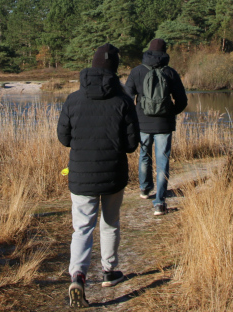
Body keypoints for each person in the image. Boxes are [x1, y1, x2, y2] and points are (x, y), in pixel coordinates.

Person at [57, 43, 140, 308]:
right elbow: (131, 144)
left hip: (81, 175)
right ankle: (109, 271)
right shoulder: (124, 100)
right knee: (110, 222)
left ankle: (78, 276)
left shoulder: (73, 99)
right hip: (113, 174)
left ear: (91, 67)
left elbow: (63, 138)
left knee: (82, 227)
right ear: (115, 70)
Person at [123, 38, 188, 216]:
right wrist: (171, 112)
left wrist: (135, 115)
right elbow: (182, 100)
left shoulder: (136, 72)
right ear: (165, 53)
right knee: (163, 161)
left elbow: (127, 98)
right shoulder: (171, 73)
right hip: (164, 124)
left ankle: (144, 189)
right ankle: (160, 203)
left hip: (142, 122)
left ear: (148, 52)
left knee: (144, 156)